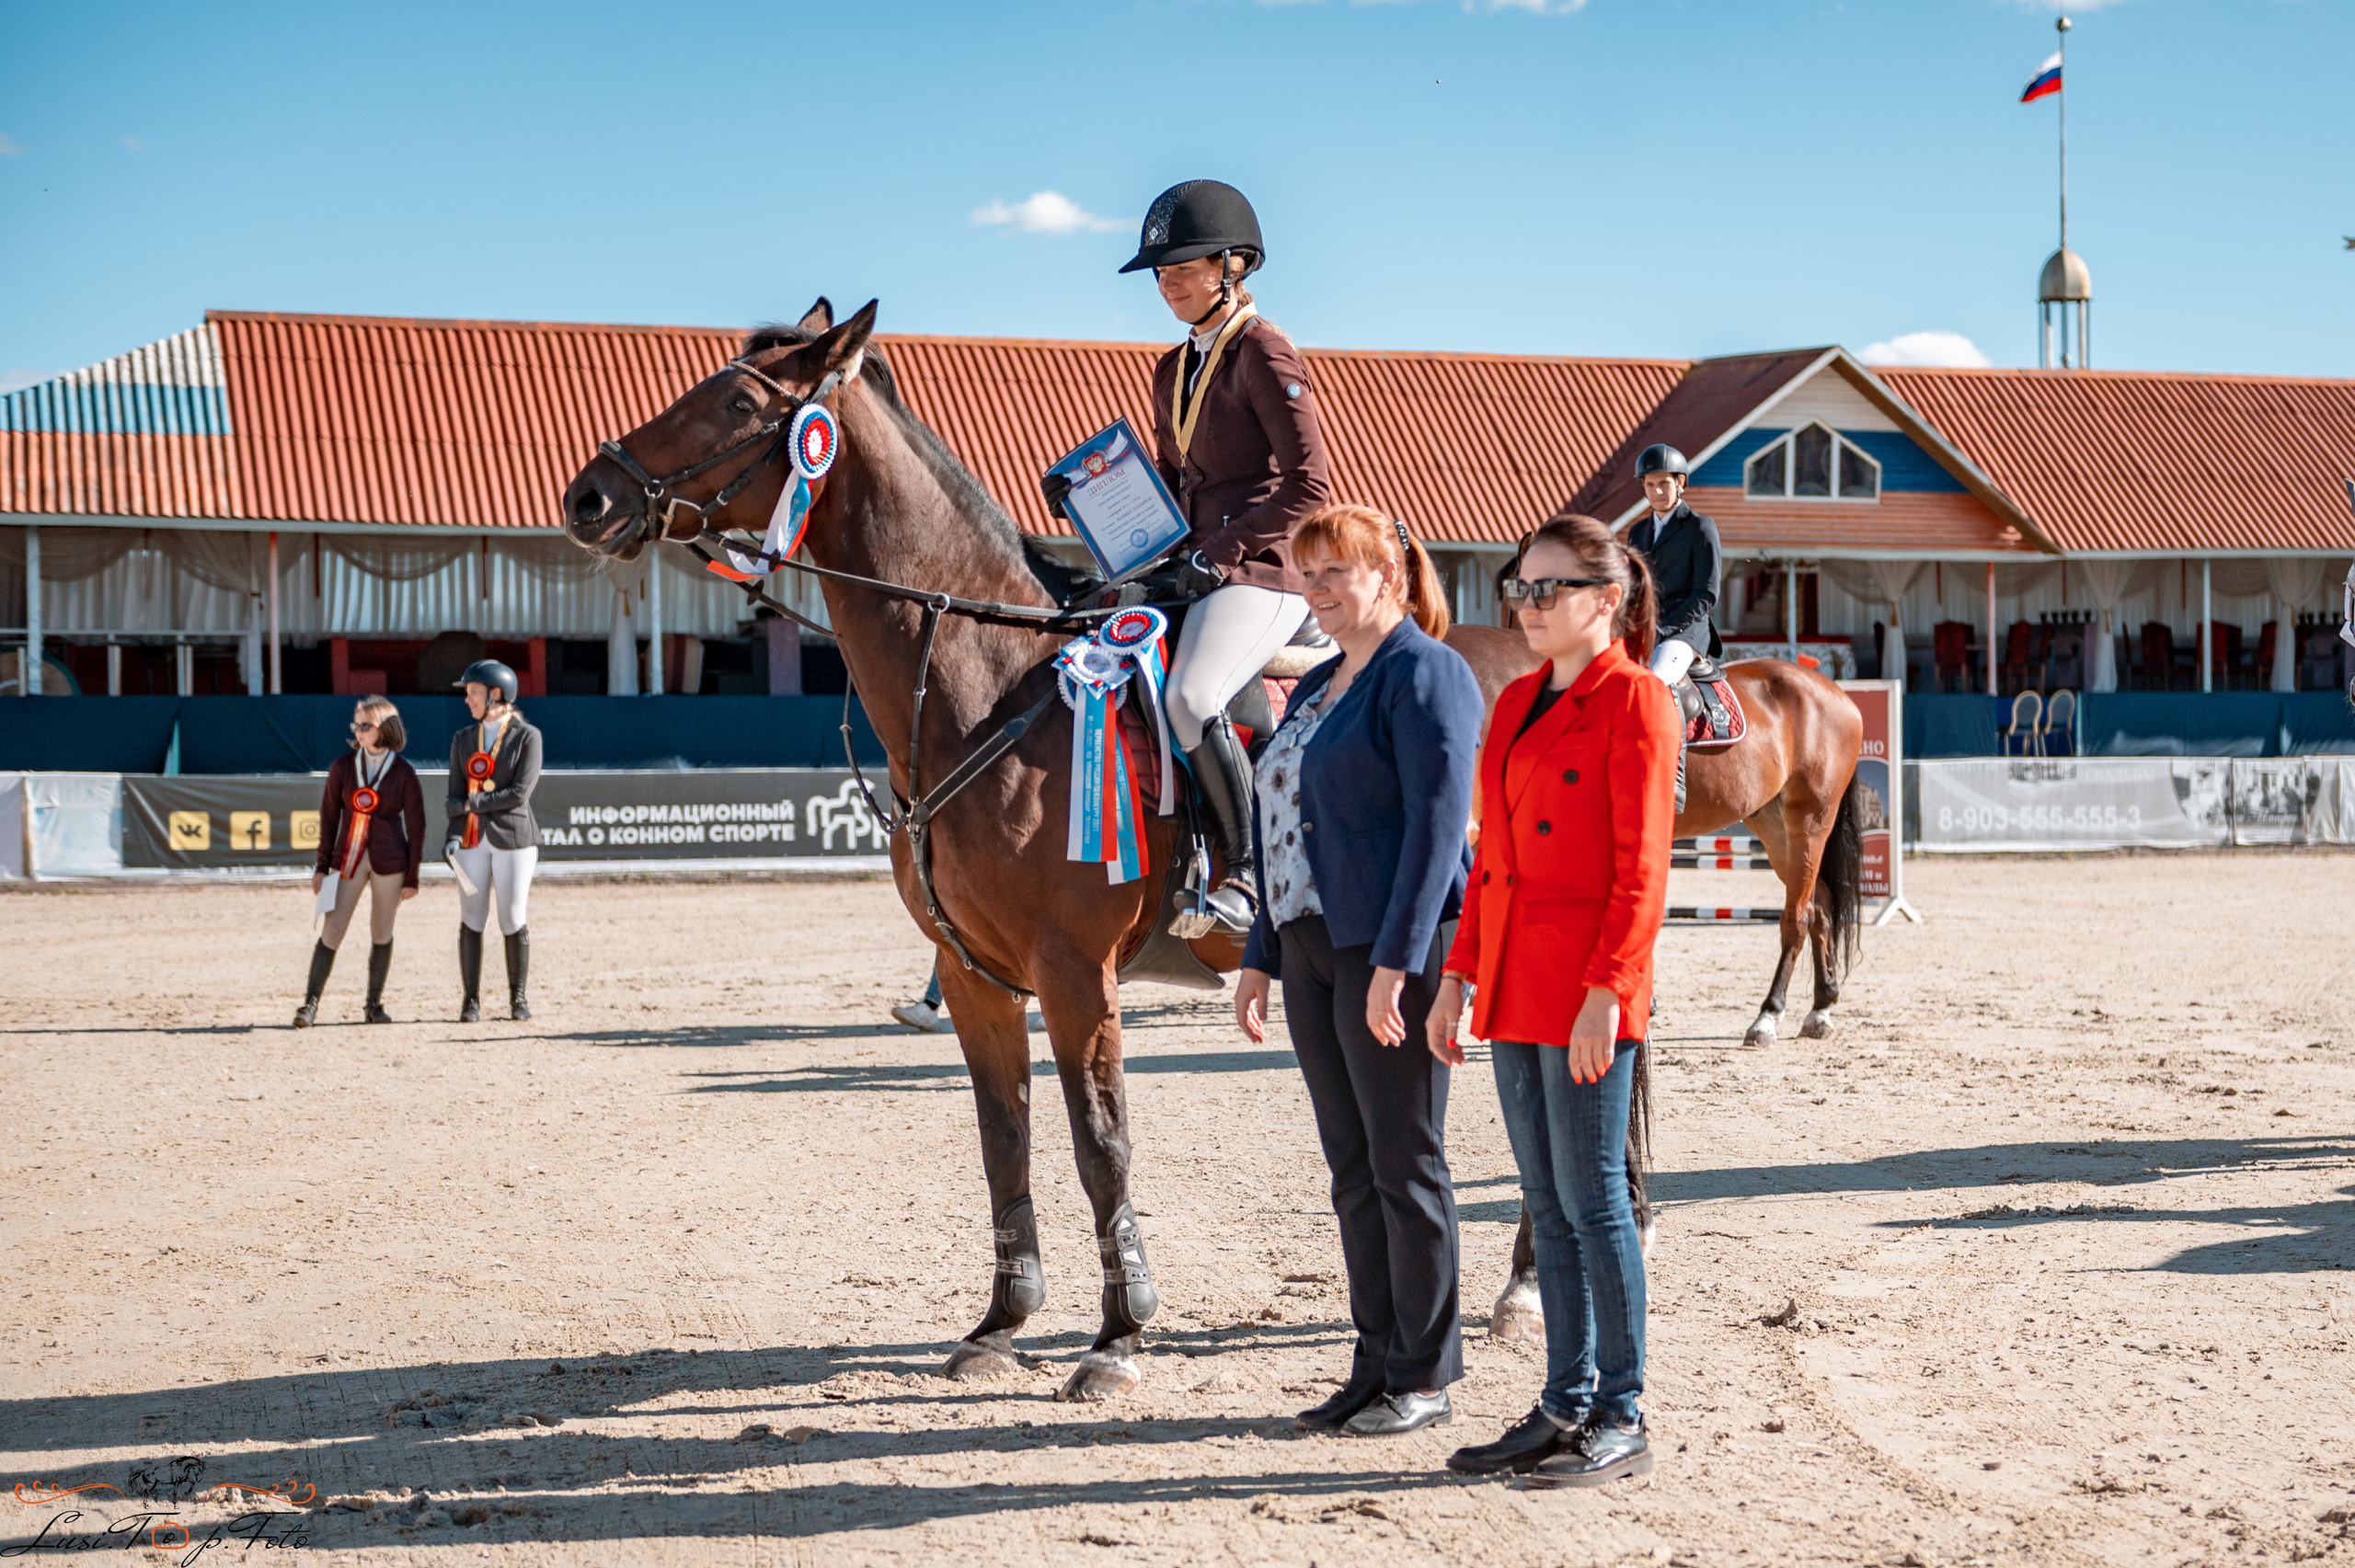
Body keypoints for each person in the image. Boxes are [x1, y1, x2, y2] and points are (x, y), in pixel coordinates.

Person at [1430, 514, 1677, 1487]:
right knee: (1545, 1204)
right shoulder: (1519, 696)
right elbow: (1487, 857)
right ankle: (1561, 1401)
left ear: (1605, 599)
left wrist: (1608, 990)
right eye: (1518, 587)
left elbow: (1643, 869)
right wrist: (1457, 975)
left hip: (1584, 990)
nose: (1526, 606)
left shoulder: (1638, 701)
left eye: (1548, 588)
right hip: (1511, 988)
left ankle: (1620, 1411)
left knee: (1596, 1203)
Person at [1233, 505, 1482, 1438]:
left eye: (1337, 571)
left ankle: (1423, 1371)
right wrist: (1261, 953)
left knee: (1405, 1159)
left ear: (1390, 574)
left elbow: (1433, 831)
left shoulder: (1428, 674)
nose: (1319, 589)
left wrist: (1397, 961)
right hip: (1307, 945)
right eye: (1309, 574)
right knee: (1351, 1167)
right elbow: (1282, 828)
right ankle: (1373, 1360)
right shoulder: (1313, 689)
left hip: (1388, 949)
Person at [1100, 177, 1332, 934]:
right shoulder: (1174, 367)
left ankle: (1246, 874)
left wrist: (1223, 552)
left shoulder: (1265, 352)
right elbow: (1174, 482)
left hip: (1264, 569)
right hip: (1195, 563)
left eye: (1182, 267)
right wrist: (1100, 499)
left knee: (1191, 697)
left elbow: (1310, 484)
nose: (1166, 283)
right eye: (1161, 273)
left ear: (1232, 265)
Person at [295, 695, 426, 1027]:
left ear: (384, 728)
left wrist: (412, 877)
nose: (358, 730)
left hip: (390, 861)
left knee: (382, 931)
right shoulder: (342, 766)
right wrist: (322, 867)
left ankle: (373, 1005)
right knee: (332, 930)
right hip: (348, 859)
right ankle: (309, 1005)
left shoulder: (404, 772)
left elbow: (417, 825)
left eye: (365, 725)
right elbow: (328, 818)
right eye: (356, 724)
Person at [1623, 444, 1723, 811]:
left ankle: (1673, 780)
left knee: (1656, 681)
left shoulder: (1699, 527)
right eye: (1649, 485)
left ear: (1680, 483)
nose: (1656, 492)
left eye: (1663, 484)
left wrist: (1665, 629)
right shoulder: (1637, 534)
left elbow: (1707, 594)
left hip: (1685, 631)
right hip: (1645, 629)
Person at [446, 659, 542, 1022]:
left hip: (514, 838)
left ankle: (518, 998)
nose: (467, 700)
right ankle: (470, 1001)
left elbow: (519, 793)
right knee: (472, 915)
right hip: (470, 840)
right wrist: (453, 835)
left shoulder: (527, 736)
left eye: (473, 693)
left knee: (511, 915)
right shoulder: (463, 739)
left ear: (495, 694)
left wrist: (473, 804)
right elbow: (452, 796)